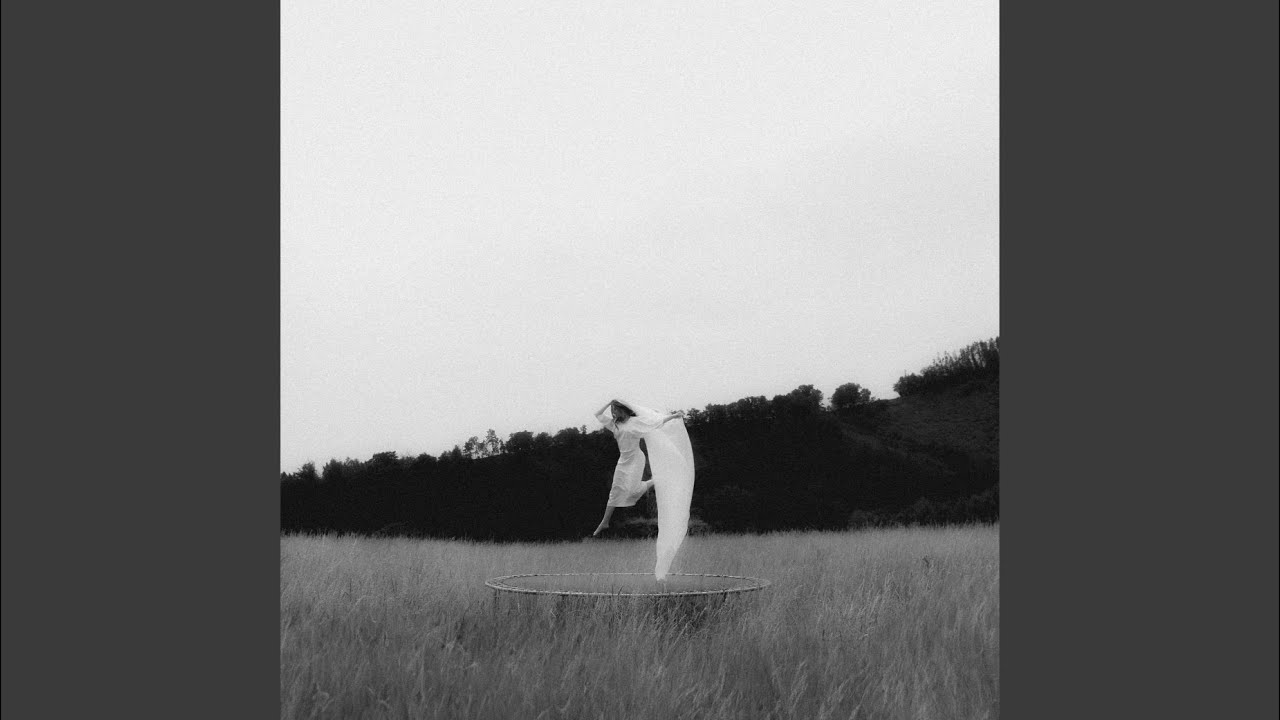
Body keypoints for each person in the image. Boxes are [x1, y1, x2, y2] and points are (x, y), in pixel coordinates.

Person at [590, 399, 695, 581]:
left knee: (631, 491)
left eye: (615, 410)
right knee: (616, 491)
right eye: (612, 411)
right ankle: (605, 522)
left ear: (623, 410)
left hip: (636, 460)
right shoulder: (614, 424)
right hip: (623, 461)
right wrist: (608, 403)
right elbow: (597, 414)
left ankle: (655, 480)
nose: (613, 413)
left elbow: (655, 423)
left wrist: (673, 416)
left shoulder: (635, 422)